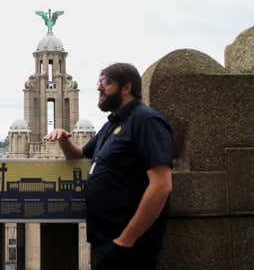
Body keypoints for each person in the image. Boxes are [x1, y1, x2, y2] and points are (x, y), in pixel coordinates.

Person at [44, 63, 173, 270]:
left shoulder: (146, 120)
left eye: (106, 82)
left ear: (126, 88)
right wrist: (63, 138)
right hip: (105, 240)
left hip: (129, 245)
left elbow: (162, 185)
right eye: (99, 82)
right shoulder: (111, 125)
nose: (99, 88)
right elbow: (79, 155)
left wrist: (125, 241)